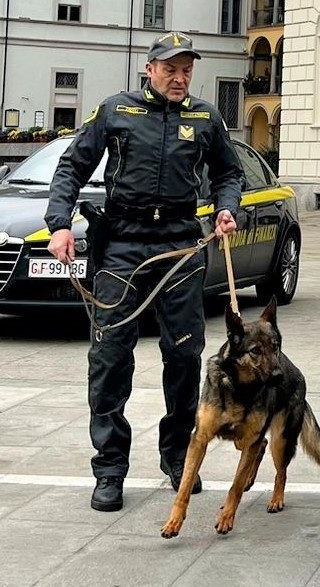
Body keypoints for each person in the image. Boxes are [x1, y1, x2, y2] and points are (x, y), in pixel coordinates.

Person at [45, 33, 244, 513]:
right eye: (170, 69)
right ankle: (110, 468)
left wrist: (226, 208)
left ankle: (176, 456)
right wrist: (59, 224)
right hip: (123, 244)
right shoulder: (116, 110)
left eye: (186, 70)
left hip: (180, 244)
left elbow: (229, 173)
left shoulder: (206, 117)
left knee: (185, 356)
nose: (179, 78)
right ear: (149, 69)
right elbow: (72, 166)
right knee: (110, 357)